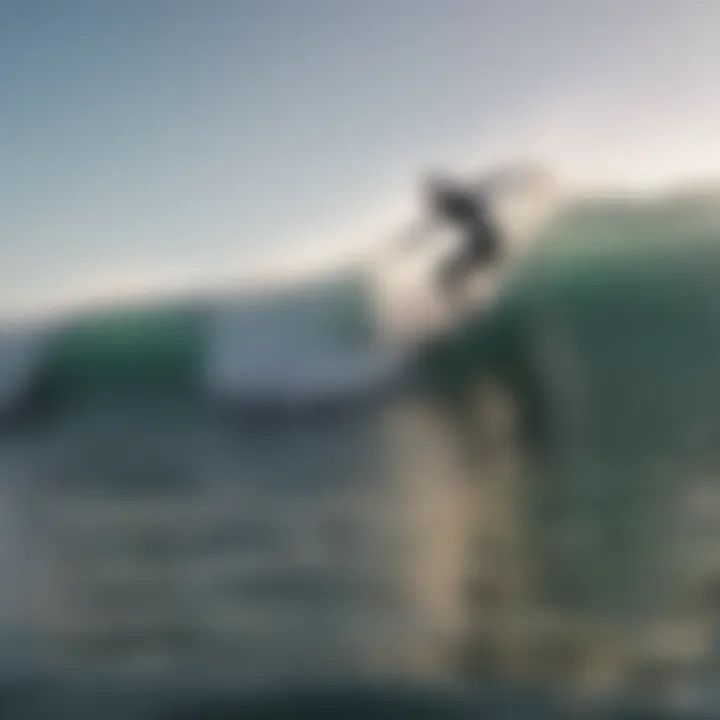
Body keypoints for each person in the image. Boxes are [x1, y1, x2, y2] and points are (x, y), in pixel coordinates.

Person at [423, 175, 503, 300]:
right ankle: (465, 298)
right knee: (445, 274)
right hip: (482, 244)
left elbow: (484, 192)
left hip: (487, 245)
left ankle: (466, 298)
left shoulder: (460, 201)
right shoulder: (456, 203)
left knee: (447, 274)